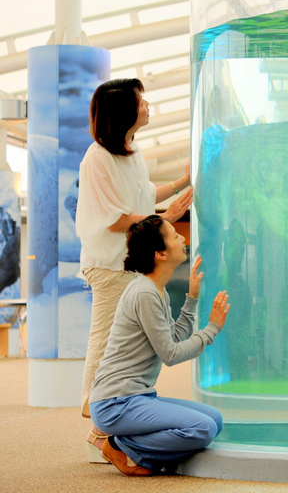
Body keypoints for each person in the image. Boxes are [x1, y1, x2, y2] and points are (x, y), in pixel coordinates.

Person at [76, 78, 194, 461]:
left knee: (124, 343)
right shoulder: (97, 158)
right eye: (141, 101)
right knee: (107, 340)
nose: (147, 105)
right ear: (123, 111)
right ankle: (99, 424)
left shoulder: (131, 151)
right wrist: (165, 217)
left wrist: (181, 183)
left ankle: (106, 424)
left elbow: (143, 193)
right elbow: (115, 218)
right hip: (110, 264)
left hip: (127, 263)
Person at [88, 215, 230, 476]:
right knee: (203, 429)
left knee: (215, 420)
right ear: (160, 254)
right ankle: (120, 445)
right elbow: (171, 354)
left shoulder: (156, 290)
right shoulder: (144, 293)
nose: (183, 239)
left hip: (137, 397)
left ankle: (133, 449)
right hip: (116, 403)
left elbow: (173, 338)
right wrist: (212, 329)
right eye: (175, 236)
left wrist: (192, 299)